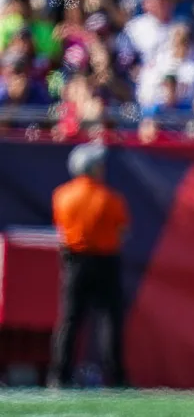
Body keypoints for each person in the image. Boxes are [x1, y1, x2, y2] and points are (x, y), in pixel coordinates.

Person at [49, 143, 128, 388]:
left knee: (70, 319)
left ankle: (59, 376)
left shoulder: (62, 195)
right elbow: (122, 229)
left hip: (74, 261)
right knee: (110, 320)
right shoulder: (110, 198)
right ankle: (115, 378)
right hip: (105, 261)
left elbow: (60, 227)